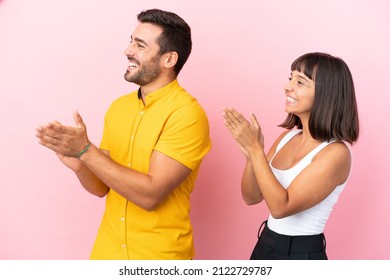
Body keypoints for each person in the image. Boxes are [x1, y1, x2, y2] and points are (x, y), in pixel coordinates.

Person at [36, 9, 211, 260]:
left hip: (158, 259)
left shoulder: (187, 115)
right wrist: (79, 163)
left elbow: (150, 195)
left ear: (169, 59)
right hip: (107, 254)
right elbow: (100, 188)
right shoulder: (119, 108)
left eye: (140, 45)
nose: (128, 50)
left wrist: (87, 151)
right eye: (131, 40)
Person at [223, 52, 359, 260]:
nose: (287, 87)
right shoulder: (288, 137)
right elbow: (251, 197)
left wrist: (257, 151)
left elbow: (280, 207)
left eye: (300, 82)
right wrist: (252, 154)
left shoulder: (336, 153)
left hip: (300, 253)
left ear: (326, 93)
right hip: (266, 243)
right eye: (290, 78)